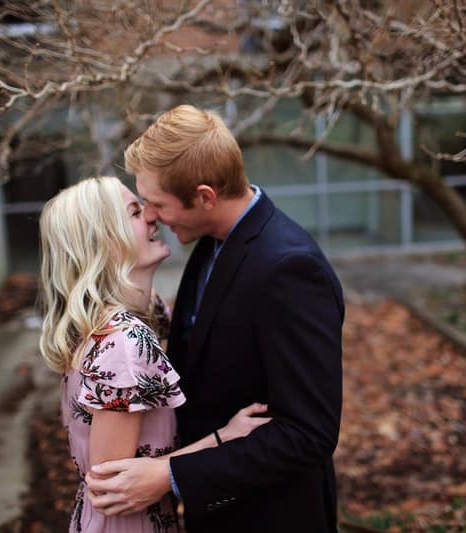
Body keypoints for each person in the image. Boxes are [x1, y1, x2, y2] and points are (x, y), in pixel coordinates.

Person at [86, 106, 345, 532]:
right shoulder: (211, 242)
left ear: (205, 196)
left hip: (271, 517)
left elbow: (308, 434)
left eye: (157, 203)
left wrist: (170, 475)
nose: (150, 216)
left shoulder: (290, 269)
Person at [38, 176, 270, 533]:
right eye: (134, 212)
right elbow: (110, 485)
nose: (152, 216)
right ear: (105, 242)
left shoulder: (144, 315)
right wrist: (224, 438)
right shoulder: (124, 342)